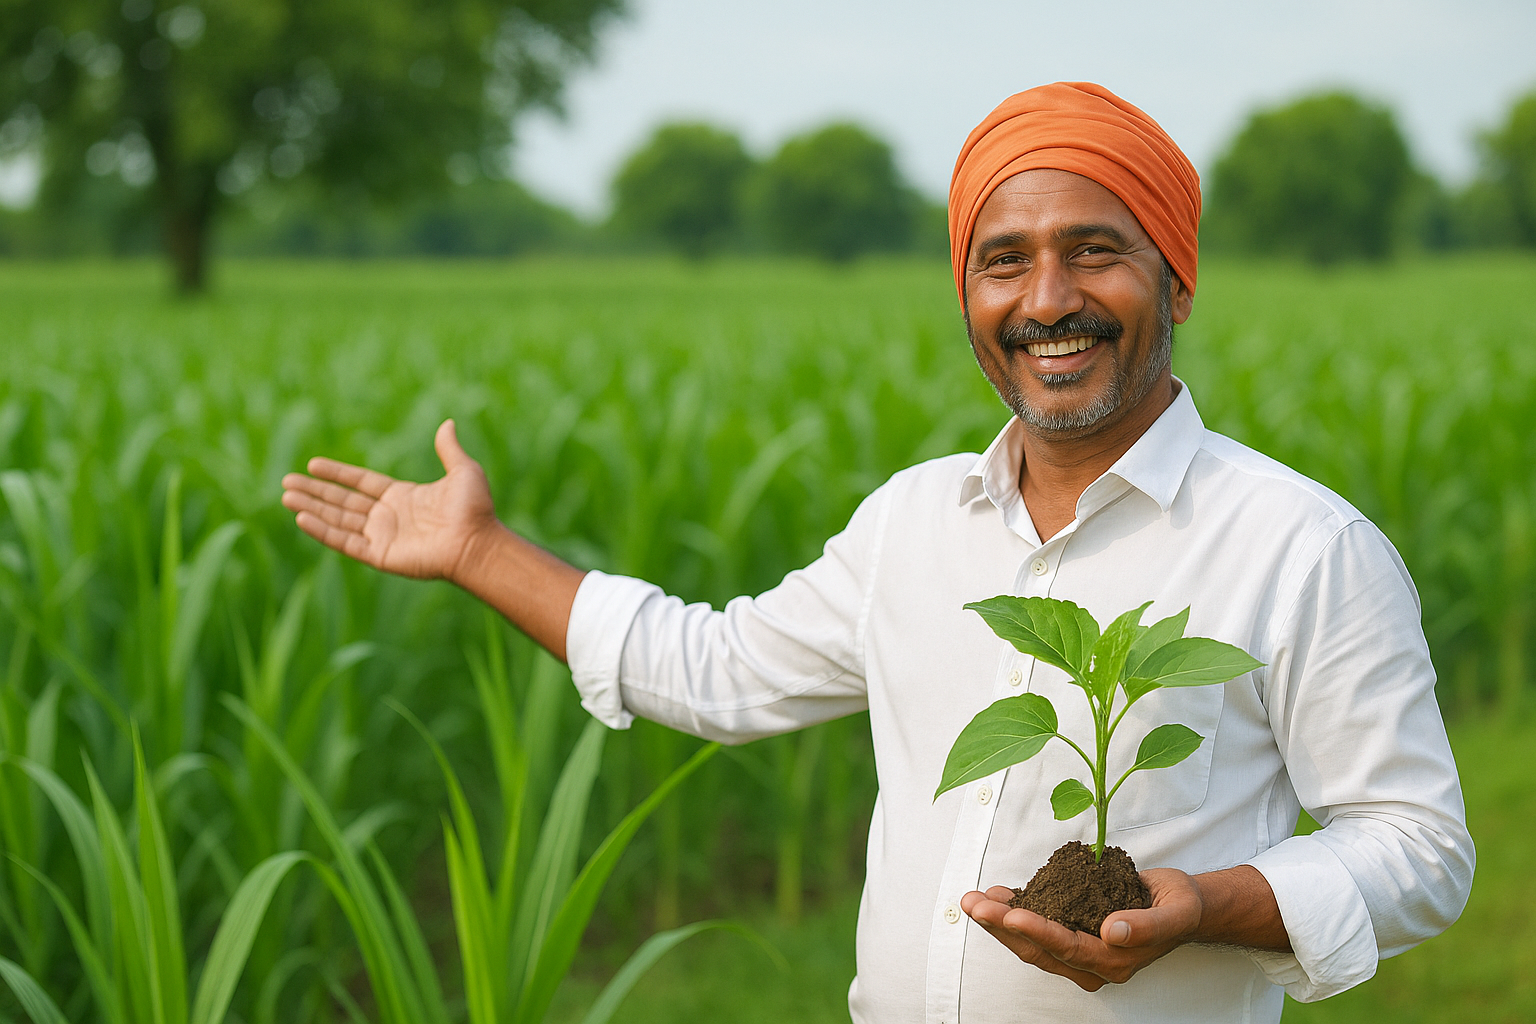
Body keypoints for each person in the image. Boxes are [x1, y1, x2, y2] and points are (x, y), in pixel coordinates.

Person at [281, 82, 1474, 1023]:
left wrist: (1207, 906)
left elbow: (1418, 847)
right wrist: (481, 550)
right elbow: (717, 669)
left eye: (1094, 250)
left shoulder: (1302, 546)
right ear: (967, 293)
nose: (1046, 297)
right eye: (1003, 260)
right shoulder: (915, 522)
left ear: (1177, 275)